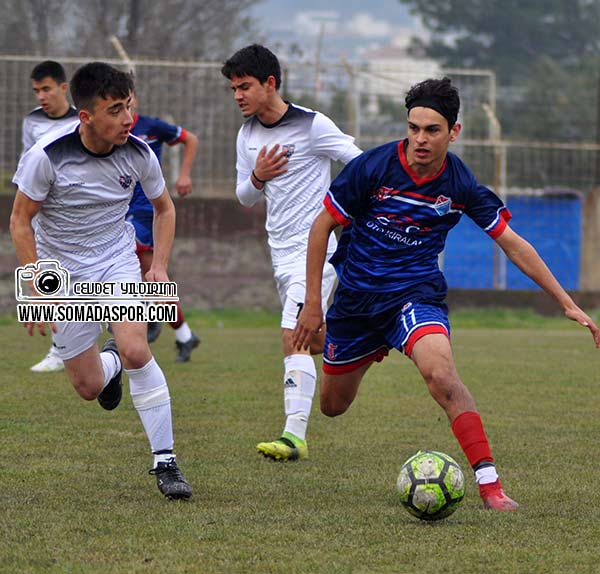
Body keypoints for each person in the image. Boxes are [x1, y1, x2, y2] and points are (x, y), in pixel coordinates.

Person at [293, 77, 600, 510]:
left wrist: (567, 303)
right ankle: (364, 347)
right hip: (357, 302)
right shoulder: (373, 168)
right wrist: (313, 304)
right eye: (413, 127)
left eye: (432, 130)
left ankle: (490, 484)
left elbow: (512, 242)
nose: (420, 138)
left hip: (414, 297)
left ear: (453, 132)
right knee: (332, 406)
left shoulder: (459, 185)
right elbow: (322, 225)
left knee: (441, 375)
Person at [10, 62, 193, 500]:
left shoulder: (140, 153)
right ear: (86, 116)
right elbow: (20, 220)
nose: (128, 119)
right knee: (88, 387)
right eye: (115, 110)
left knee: (137, 348)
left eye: (129, 106)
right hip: (64, 272)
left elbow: (165, 209)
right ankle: (108, 366)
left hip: (117, 260)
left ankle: (165, 460)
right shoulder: (46, 155)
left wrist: (160, 266)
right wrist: (35, 280)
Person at [221, 44, 362, 461]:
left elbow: (357, 163)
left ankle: (293, 437)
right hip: (280, 253)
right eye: (233, 89)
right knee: (313, 338)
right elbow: (244, 197)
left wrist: (346, 213)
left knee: (293, 337)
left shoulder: (312, 125)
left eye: (244, 86)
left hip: (314, 250)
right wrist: (258, 176)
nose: (238, 96)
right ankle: (364, 339)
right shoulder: (246, 135)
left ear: (270, 83)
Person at [126, 88, 201, 361]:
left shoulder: (152, 127)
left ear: (135, 97)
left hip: (148, 211)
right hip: (121, 209)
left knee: (130, 252)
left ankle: (146, 310)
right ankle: (184, 335)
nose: (126, 104)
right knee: (153, 276)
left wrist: (184, 175)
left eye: (129, 97)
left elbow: (190, 139)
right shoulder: (110, 131)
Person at [22, 60, 79, 373]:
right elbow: (28, 163)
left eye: (46, 89)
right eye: (36, 91)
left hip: (76, 212)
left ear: (63, 87)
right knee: (52, 276)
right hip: (44, 213)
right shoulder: (31, 122)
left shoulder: (80, 120)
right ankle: (59, 348)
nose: (41, 96)